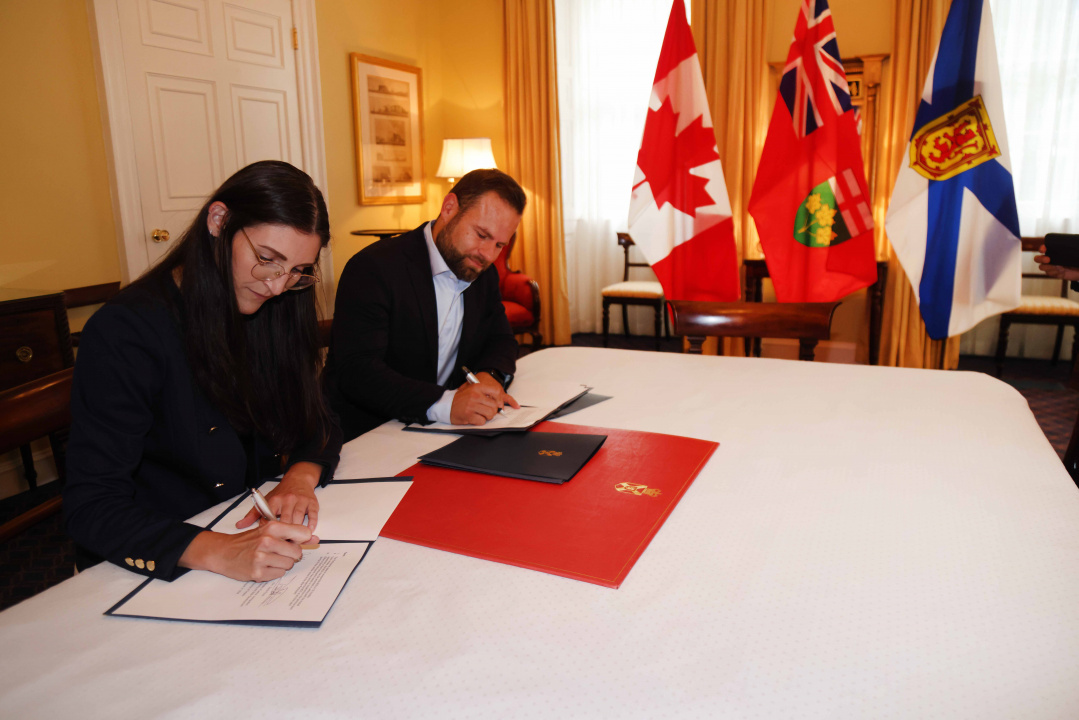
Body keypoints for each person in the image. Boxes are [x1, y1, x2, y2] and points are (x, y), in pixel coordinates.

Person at [64, 160, 342, 583]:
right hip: (150, 551)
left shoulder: (277, 303)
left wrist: (300, 477)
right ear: (218, 221)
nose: (276, 285)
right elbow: (92, 506)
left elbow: (317, 415)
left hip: (233, 525)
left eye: (298, 271)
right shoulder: (127, 331)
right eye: (267, 259)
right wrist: (221, 551)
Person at [325, 169, 524, 441]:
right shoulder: (373, 268)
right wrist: (445, 404)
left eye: (499, 244)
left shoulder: (482, 272)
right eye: (481, 235)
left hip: (444, 433)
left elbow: (501, 339)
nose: (488, 254)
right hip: (370, 432)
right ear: (449, 208)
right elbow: (359, 372)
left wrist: (488, 376)